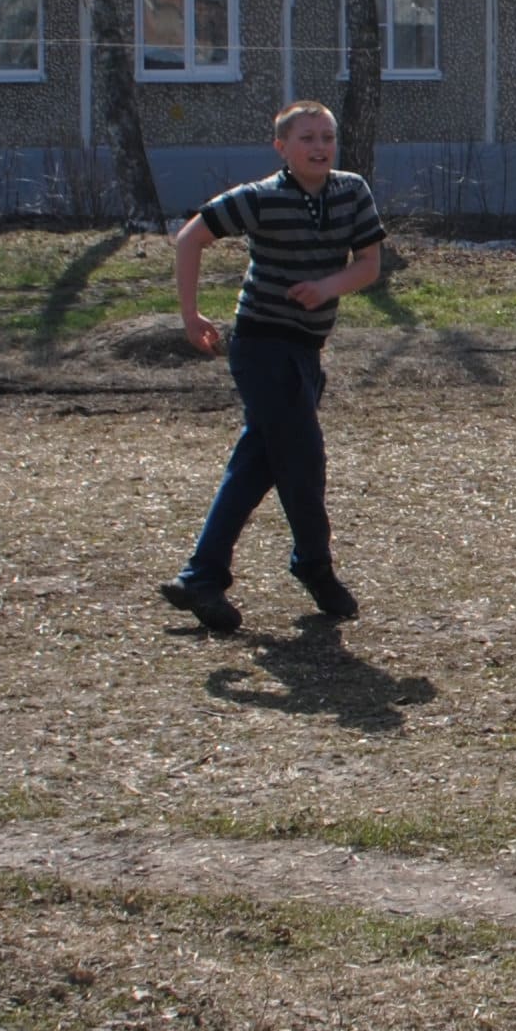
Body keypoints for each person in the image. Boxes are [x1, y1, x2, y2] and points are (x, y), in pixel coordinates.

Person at [159, 99, 386, 636]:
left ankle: (202, 575)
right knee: (303, 457)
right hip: (261, 345)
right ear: (282, 147)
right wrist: (190, 315)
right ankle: (313, 566)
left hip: (308, 350)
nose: (320, 147)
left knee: (259, 460)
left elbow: (370, 265)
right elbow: (191, 237)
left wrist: (327, 287)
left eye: (327, 137)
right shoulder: (262, 198)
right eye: (307, 138)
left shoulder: (352, 191)